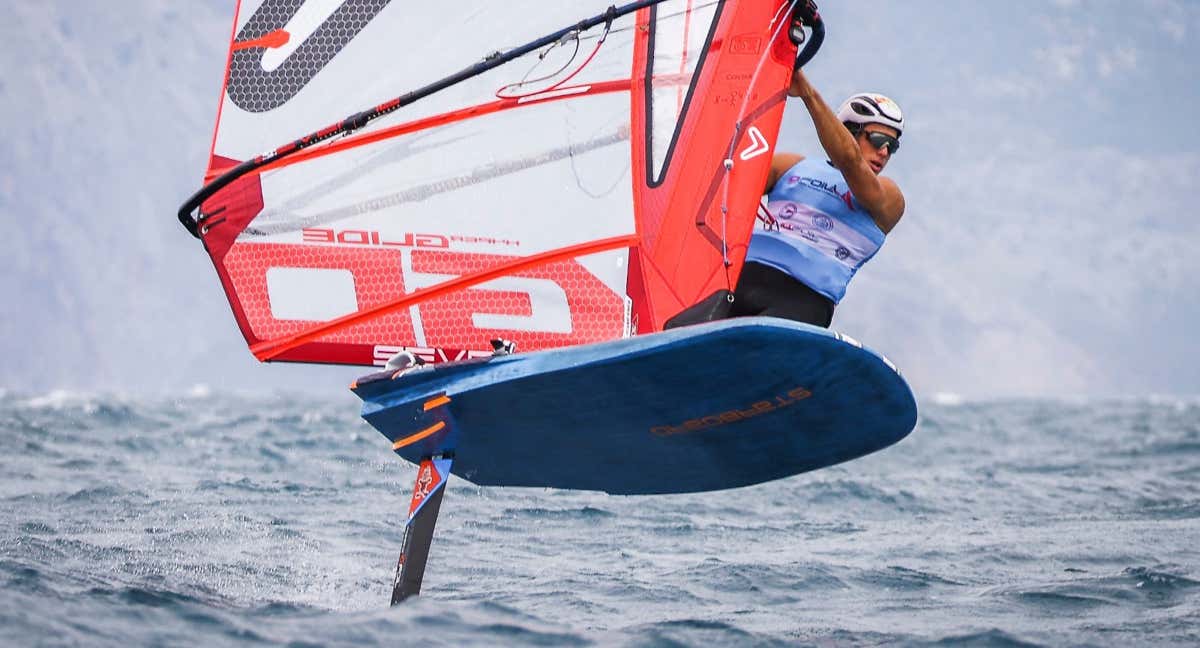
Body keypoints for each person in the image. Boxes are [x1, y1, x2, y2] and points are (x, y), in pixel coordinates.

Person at [728, 68, 906, 328]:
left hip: (804, 299)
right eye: (878, 139)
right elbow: (724, 182)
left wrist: (807, 94)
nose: (884, 151)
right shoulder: (791, 166)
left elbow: (850, 161)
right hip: (738, 282)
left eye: (892, 146)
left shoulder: (889, 197)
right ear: (848, 131)